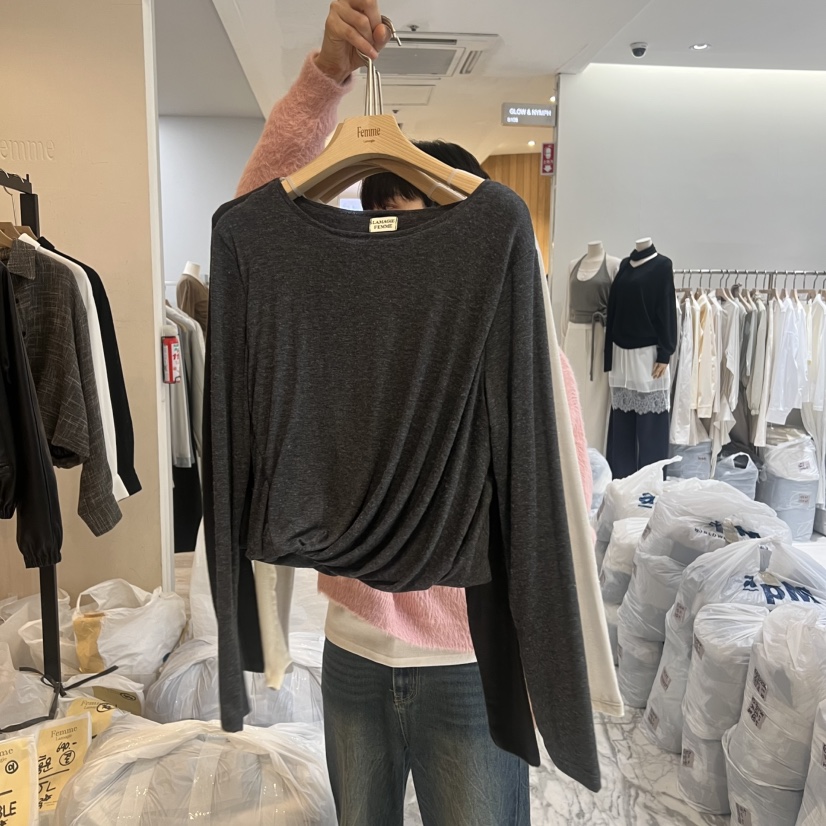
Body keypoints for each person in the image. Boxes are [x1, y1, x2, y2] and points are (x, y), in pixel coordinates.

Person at [234, 2, 593, 823]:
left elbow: (565, 495)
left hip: (468, 660)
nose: (402, 246)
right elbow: (254, 224)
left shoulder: (508, 331)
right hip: (352, 650)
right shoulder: (340, 327)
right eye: (384, 220)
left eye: (425, 223)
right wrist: (325, 79)